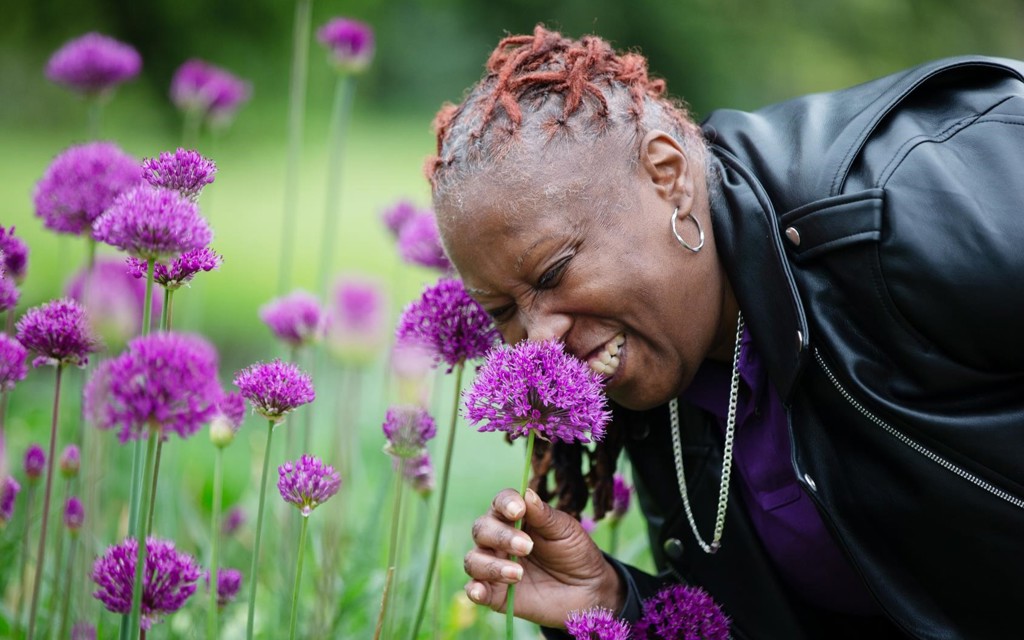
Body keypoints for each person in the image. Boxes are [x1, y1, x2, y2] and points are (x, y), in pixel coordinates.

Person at [430, 25, 1024, 640]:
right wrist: (616, 605)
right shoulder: (656, 366)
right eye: (501, 311)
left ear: (667, 176)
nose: (539, 343)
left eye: (554, 271)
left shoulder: (903, 204)